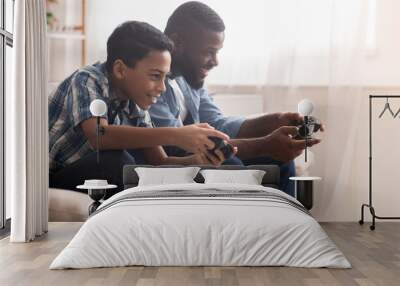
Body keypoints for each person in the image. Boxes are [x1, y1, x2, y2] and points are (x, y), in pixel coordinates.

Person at [149, 2, 322, 196]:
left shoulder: (190, 77)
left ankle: (283, 221)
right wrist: (264, 144)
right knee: (231, 164)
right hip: (181, 164)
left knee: (280, 160)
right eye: (208, 52)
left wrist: (273, 121)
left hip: (198, 155)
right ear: (177, 43)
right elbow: (177, 146)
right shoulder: (149, 82)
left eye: (217, 52)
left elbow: (216, 124)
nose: (215, 61)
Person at [49, 21, 233, 197]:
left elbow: (160, 162)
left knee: (135, 166)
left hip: (91, 172)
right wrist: (177, 135)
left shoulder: (135, 102)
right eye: (155, 76)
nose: (162, 87)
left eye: (164, 77)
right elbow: (99, 135)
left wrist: (197, 161)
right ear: (120, 70)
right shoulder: (87, 80)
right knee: (117, 161)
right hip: (54, 174)